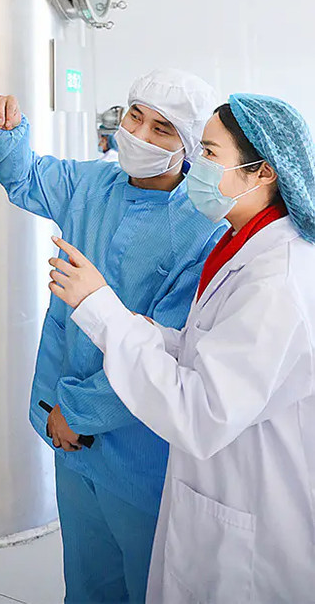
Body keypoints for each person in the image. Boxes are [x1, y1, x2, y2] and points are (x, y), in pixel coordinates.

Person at [49, 94, 315, 604]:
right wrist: (140, 328)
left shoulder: (276, 281)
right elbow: (205, 347)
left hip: (250, 509)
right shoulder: (245, 244)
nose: (198, 164)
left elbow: (201, 411)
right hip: (217, 482)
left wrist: (102, 309)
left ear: (262, 172)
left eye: (210, 153)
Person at [0, 70, 224, 604]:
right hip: (65, 431)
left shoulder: (202, 229)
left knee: (145, 582)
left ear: (188, 147)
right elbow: (26, 179)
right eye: (135, 117)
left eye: (162, 129)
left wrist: (78, 413)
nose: (139, 135)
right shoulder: (95, 184)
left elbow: (165, 352)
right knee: (87, 580)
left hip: (136, 449)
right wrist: (8, 134)